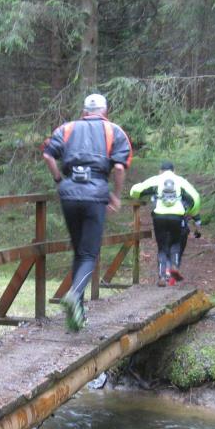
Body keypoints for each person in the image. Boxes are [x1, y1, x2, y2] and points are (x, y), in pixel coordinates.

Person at [42, 93, 133, 331]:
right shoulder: (115, 131)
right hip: (95, 194)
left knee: (79, 252)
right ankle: (74, 296)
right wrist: (116, 195)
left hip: (69, 194)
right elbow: (120, 168)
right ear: (105, 111)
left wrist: (59, 179)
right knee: (89, 254)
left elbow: (48, 155)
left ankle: (78, 314)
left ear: (84, 111)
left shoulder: (67, 128)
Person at [129, 161, 201, 286]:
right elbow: (196, 198)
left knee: (162, 247)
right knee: (176, 243)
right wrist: (190, 211)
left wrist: (139, 194)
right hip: (177, 216)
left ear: (160, 171)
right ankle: (174, 267)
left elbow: (135, 191)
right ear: (174, 171)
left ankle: (162, 276)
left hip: (159, 217)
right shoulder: (180, 181)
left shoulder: (156, 179)